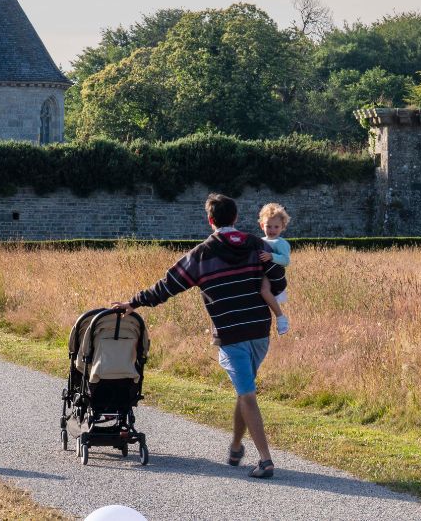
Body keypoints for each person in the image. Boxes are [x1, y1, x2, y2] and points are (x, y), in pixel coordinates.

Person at [109, 193, 287, 478]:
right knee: (245, 390)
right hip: (259, 331)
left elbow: (168, 286)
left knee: (247, 394)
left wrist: (134, 302)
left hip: (230, 334)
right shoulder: (257, 245)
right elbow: (279, 280)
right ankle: (237, 444)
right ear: (236, 218)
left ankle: (265, 460)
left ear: (210, 220)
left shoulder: (201, 254)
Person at [258, 203, 292, 335]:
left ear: (282, 227)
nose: (272, 230)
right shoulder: (260, 240)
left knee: (264, 291)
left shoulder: (281, 243)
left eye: (276, 227)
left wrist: (271, 256)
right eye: (268, 226)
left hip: (271, 276)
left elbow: (285, 260)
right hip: (260, 273)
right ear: (262, 226)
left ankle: (280, 318)